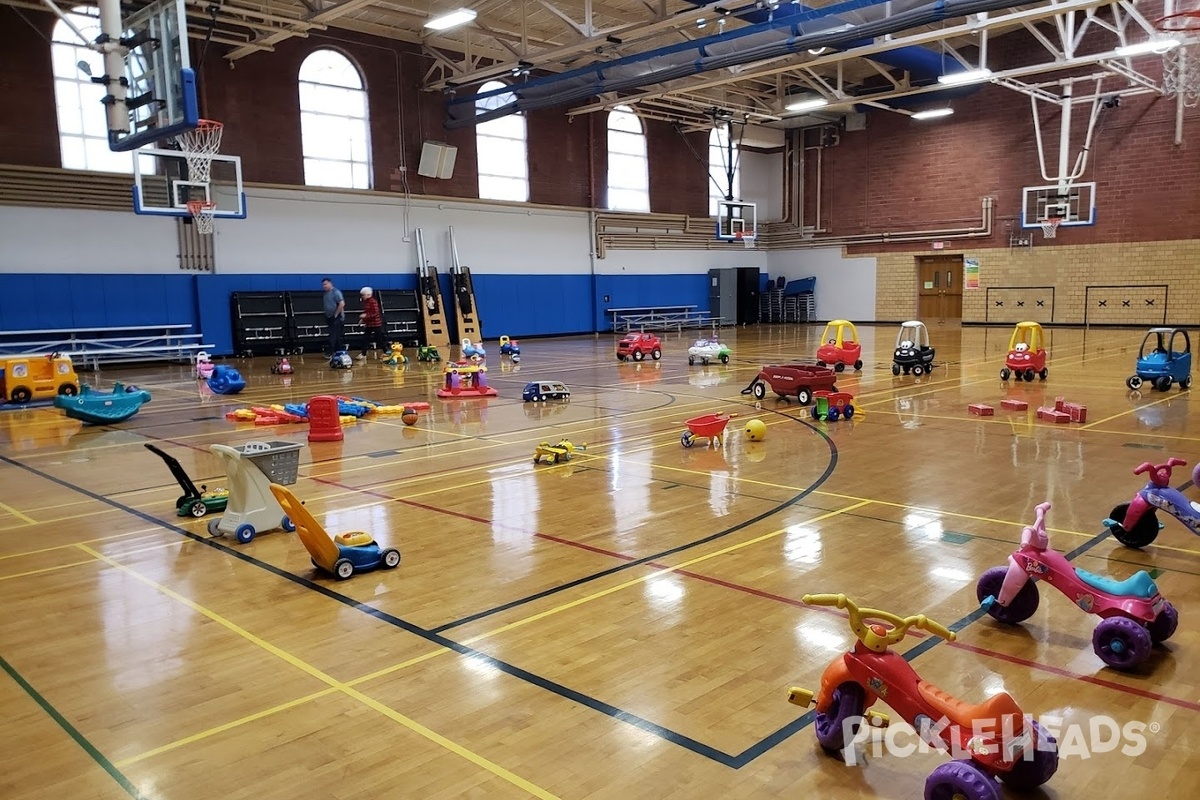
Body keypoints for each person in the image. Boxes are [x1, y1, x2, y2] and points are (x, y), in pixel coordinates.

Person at [357, 287, 388, 359]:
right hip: (370, 324)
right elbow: (368, 312)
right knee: (366, 338)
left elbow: (375, 313)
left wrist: (365, 316)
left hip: (375, 324)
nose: (362, 296)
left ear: (368, 294)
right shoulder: (366, 302)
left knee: (379, 339)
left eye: (363, 295)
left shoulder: (373, 301)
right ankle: (363, 354)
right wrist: (363, 319)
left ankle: (386, 351)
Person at [322, 278, 345, 354]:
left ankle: (331, 351)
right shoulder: (325, 294)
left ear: (330, 283)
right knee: (335, 335)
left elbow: (342, 304)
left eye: (325, 284)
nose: (324, 286)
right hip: (329, 316)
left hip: (336, 317)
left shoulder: (336, 292)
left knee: (333, 335)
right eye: (323, 285)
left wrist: (336, 315)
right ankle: (339, 350)